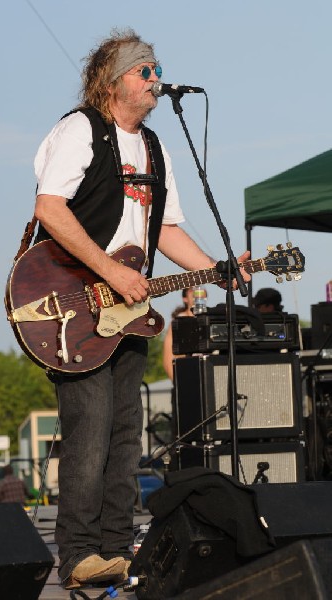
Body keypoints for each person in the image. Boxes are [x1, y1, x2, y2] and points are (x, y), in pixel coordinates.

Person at [33, 29, 250, 589]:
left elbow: (166, 228)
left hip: (129, 309)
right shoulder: (79, 130)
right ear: (112, 81)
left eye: (156, 71)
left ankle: (113, 548)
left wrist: (217, 267)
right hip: (75, 302)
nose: (157, 80)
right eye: (145, 71)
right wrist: (109, 270)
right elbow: (51, 209)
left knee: (126, 431)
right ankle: (78, 550)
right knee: (91, 427)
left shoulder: (153, 146)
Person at [163, 287, 206, 380]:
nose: (196, 291)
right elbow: (168, 360)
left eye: (199, 288)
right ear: (185, 298)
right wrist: (178, 384)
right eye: (191, 290)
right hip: (185, 376)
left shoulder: (209, 320)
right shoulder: (177, 322)